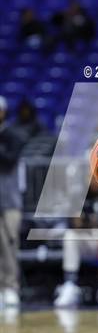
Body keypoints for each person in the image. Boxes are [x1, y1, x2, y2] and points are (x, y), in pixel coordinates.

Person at [54, 178, 98, 308]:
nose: (94, 180)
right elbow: (71, 223)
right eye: (91, 176)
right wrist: (79, 222)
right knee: (69, 236)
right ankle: (70, 285)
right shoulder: (78, 195)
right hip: (87, 240)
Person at [0, 96, 25, 308]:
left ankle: (10, 287)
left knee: (9, 245)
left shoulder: (12, 135)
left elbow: (8, 161)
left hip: (9, 202)